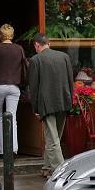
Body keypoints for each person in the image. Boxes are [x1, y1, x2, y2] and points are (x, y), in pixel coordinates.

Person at [28, 33, 73, 178]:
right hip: (63, 101)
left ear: (37, 45)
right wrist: (69, 101)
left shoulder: (36, 60)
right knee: (54, 139)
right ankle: (47, 167)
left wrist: (35, 108)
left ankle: (60, 172)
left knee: (53, 140)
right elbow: (70, 81)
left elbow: (33, 87)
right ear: (49, 43)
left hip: (46, 105)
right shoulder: (64, 57)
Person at [0, 24, 28, 157]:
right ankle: (13, 149)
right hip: (14, 87)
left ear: (0, 35)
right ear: (12, 35)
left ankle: (0, 150)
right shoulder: (19, 49)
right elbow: (24, 66)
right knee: (12, 117)